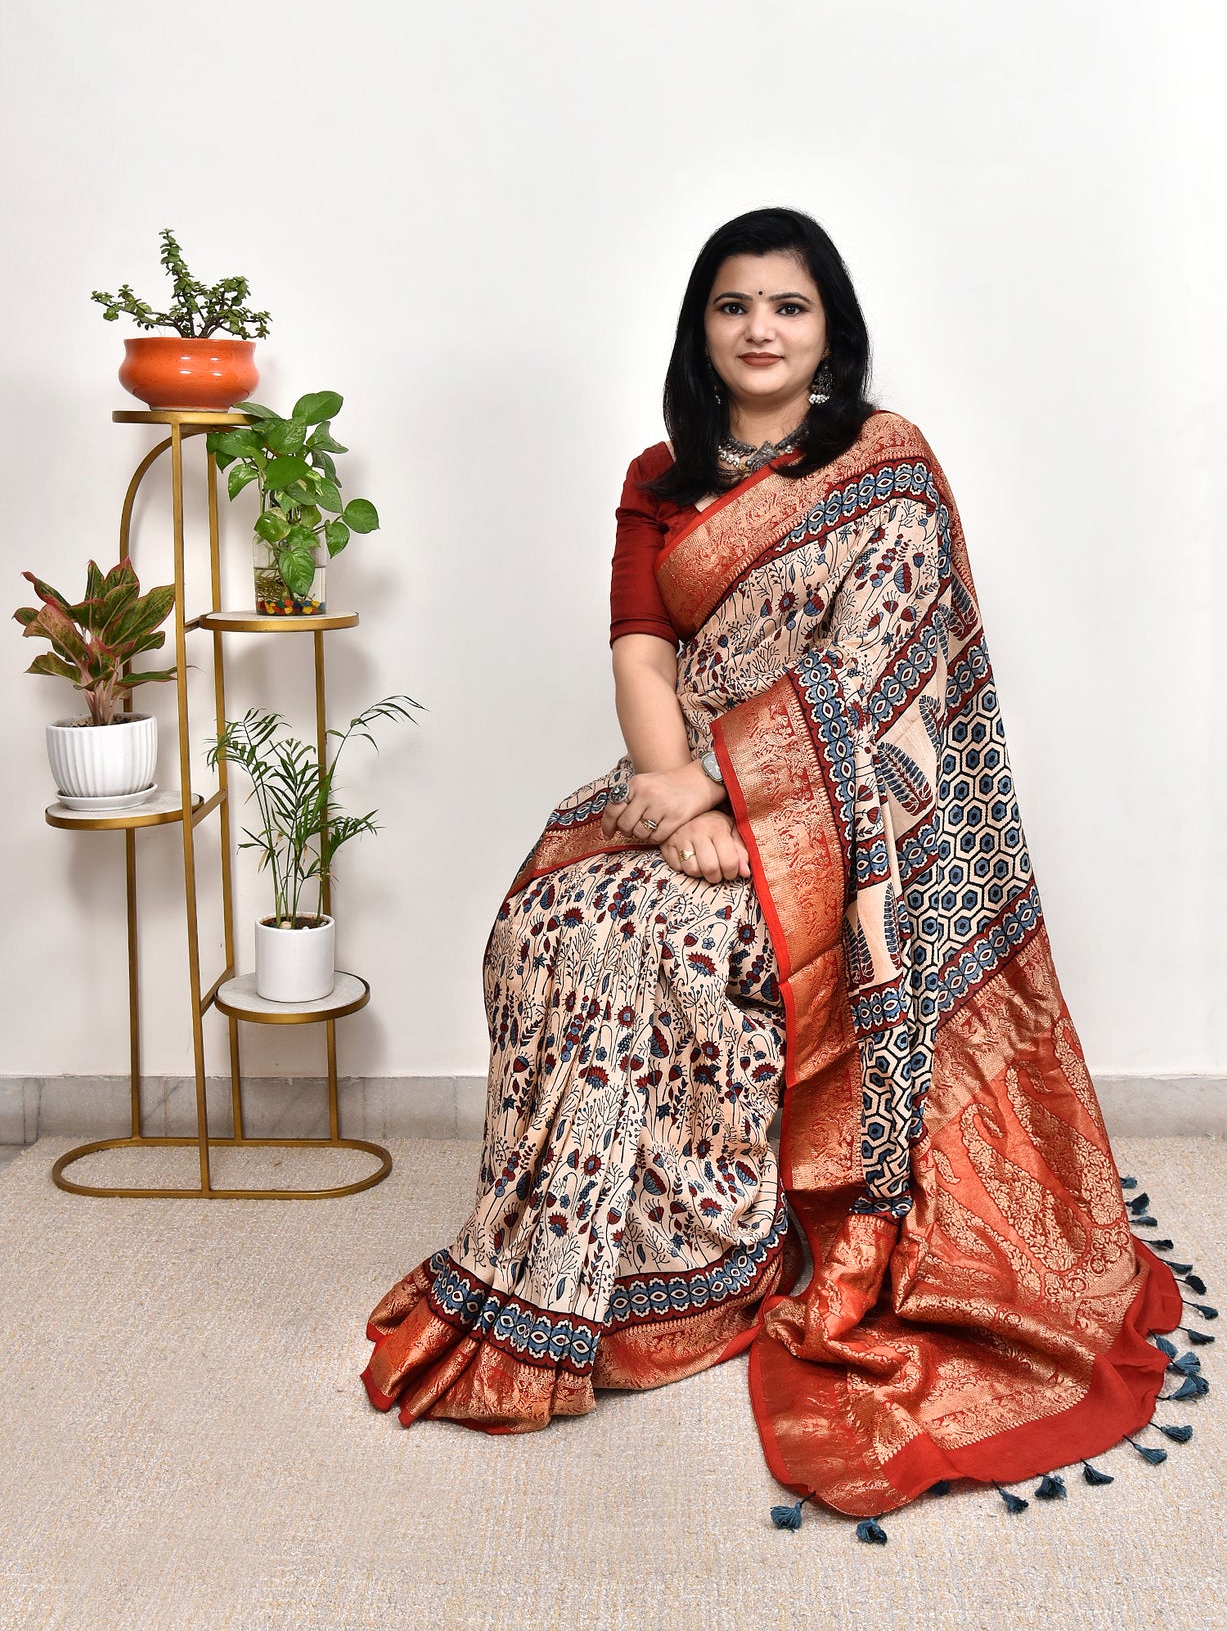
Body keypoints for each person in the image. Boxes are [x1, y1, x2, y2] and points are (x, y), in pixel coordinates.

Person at [361, 207, 1181, 1522]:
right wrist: (668, 795)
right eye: (733, 305)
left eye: (788, 307)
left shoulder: (884, 467)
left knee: (669, 939)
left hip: (852, 829)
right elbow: (641, 651)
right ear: (701, 329)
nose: (760, 329)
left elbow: (879, 685)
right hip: (678, 788)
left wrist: (729, 799)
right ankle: (571, 1267)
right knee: (553, 923)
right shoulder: (660, 476)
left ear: (829, 331)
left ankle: (713, 1260)